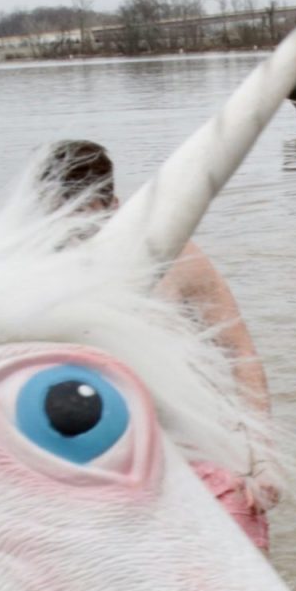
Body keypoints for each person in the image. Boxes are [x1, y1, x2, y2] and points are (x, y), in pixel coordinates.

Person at [37, 140, 276, 549]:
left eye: (83, 224)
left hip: (194, 452)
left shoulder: (174, 255)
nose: (73, 239)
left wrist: (263, 458)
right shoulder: (30, 272)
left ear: (112, 205)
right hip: (102, 466)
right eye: (59, 224)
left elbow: (239, 352)